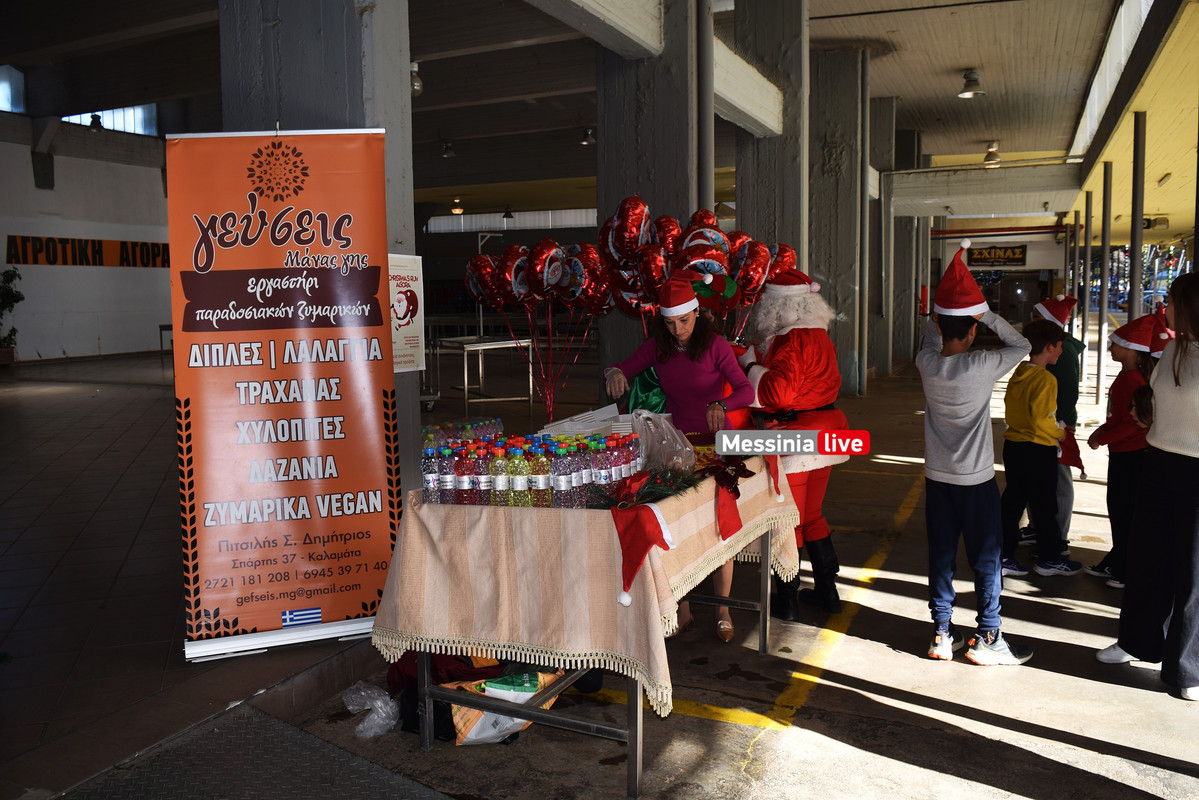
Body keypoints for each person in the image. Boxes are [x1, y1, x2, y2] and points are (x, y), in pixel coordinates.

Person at [604, 270, 754, 643]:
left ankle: (722, 608)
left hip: (716, 445)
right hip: (676, 446)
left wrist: (721, 403)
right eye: (670, 324)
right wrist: (615, 373)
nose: (678, 330)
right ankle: (682, 608)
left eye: (684, 321)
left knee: (718, 524)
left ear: (697, 313)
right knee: (676, 525)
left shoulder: (715, 345)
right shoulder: (660, 346)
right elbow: (624, 366)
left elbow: (746, 390)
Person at [916, 240, 1034, 665]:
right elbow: (1021, 346)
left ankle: (942, 634)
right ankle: (988, 636)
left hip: (938, 478)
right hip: (976, 481)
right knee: (986, 557)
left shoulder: (927, 363)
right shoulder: (982, 365)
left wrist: (943, 314)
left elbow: (932, 335)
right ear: (972, 331)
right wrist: (986, 314)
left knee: (941, 555)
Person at [1098, 274, 1199, 702]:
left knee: (1191, 573)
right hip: (1157, 462)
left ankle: (1187, 668)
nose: (1165, 308)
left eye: (1170, 301)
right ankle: (1137, 642)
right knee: (1146, 559)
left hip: (1195, 470)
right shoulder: (1174, 349)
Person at [737, 267, 849, 618]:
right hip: (828, 432)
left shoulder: (791, 339)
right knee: (812, 515)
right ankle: (828, 593)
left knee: (789, 521)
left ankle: (786, 601)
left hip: (798, 438)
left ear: (777, 307)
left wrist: (749, 365)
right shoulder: (819, 334)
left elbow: (777, 394)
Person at [1085, 313, 1169, 588]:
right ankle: (1117, 559)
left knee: (1125, 512)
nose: (1110, 348)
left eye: (1116, 344)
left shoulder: (1133, 380)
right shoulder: (1127, 377)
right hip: (1123, 453)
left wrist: (1103, 438)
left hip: (1131, 455)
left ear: (1132, 350)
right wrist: (1102, 430)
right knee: (1119, 510)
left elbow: (1133, 423)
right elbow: (1119, 416)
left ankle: (1124, 568)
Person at [998, 319, 1081, 577]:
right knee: (1045, 505)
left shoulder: (1020, 372)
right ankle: (1049, 558)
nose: (1061, 352)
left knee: (1013, 502)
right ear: (1048, 348)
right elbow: (1041, 419)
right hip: (1037, 449)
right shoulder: (1046, 379)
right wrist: (1060, 432)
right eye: (1059, 346)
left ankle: (1002, 554)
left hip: (1014, 445)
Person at [1021, 295, 1086, 554]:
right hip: (1043, 426)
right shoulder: (1050, 353)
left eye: (1038, 317)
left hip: (1055, 427)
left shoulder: (1063, 354)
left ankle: (1058, 536)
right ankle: (1039, 528)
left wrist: (1061, 427)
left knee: (1058, 483)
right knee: (1040, 480)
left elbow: (1068, 395)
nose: (1032, 321)